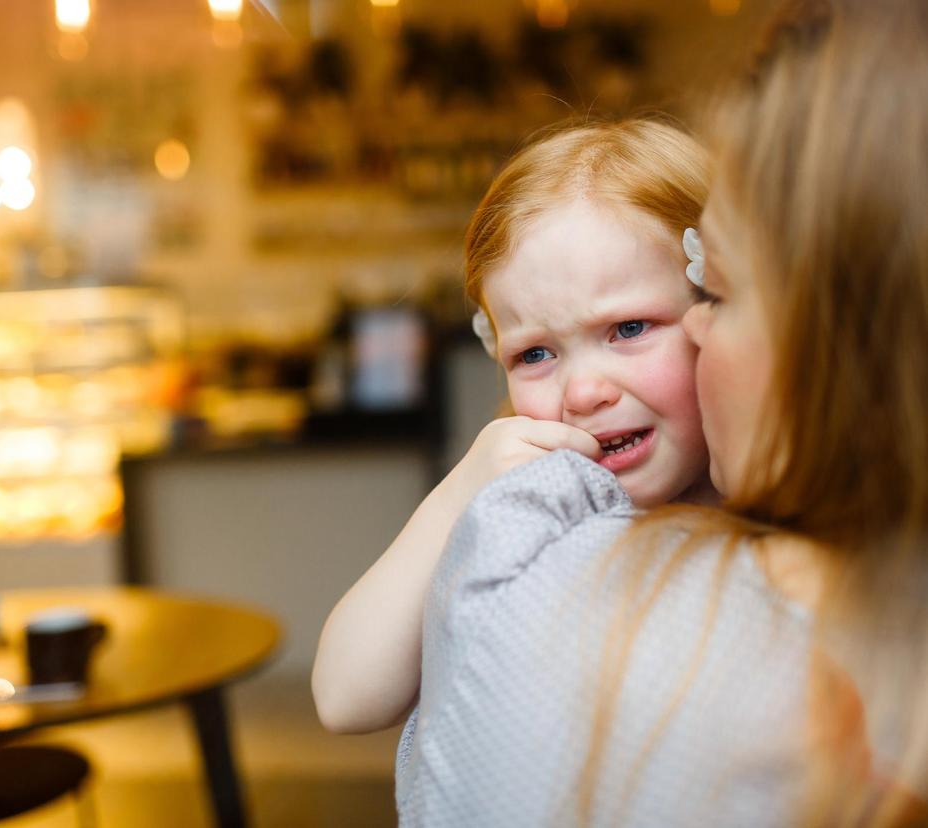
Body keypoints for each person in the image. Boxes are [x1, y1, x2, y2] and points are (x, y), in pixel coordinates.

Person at [395, 0, 928, 825]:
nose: (586, 389)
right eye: (534, 352)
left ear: (844, 339)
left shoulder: (552, 608)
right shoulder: (537, 528)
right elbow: (344, 684)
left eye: (711, 291)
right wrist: (470, 481)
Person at [313, 119, 717, 735]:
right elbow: (344, 698)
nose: (584, 393)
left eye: (629, 329)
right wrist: (457, 497)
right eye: (535, 355)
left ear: (719, 305)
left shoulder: (787, 501)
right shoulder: (530, 509)